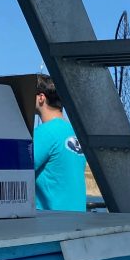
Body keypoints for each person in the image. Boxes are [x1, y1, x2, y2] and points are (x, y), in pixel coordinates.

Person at [33, 74, 86, 211]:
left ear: (41, 98)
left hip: (50, 222)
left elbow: (17, 171)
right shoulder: (75, 132)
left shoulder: (43, 133)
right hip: (77, 220)